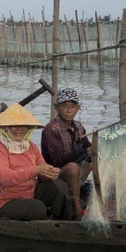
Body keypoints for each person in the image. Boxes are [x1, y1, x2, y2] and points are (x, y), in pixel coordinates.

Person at [0, 102, 73, 221]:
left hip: (29, 194)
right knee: (38, 208)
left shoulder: (31, 146)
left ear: (28, 129)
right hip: (6, 202)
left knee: (59, 186)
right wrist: (35, 170)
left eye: (24, 126)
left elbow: (42, 167)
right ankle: (45, 227)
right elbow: (5, 177)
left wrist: (50, 172)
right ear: (6, 128)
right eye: (14, 126)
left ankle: (64, 222)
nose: (19, 129)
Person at [41, 87, 92, 219]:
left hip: (73, 173)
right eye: (64, 106)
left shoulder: (79, 127)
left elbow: (87, 146)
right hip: (54, 174)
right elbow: (58, 160)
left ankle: (98, 200)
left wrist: (94, 150)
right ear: (57, 108)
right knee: (73, 167)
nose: (69, 110)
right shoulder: (51, 129)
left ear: (78, 108)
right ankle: (77, 210)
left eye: (72, 106)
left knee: (96, 159)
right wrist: (85, 150)